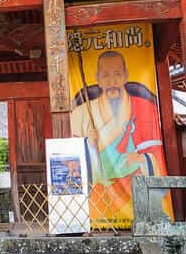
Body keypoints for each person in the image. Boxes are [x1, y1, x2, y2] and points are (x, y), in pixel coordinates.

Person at [70, 50, 169, 221]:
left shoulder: (144, 108)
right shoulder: (81, 113)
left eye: (117, 74)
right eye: (106, 75)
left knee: (145, 196)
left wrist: (142, 158)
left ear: (126, 76)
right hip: (100, 185)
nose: (112, 81)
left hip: (133, 179)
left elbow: (155, 152)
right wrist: (87, 145)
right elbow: (72, 160)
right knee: (95, 205)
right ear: (98, 79)